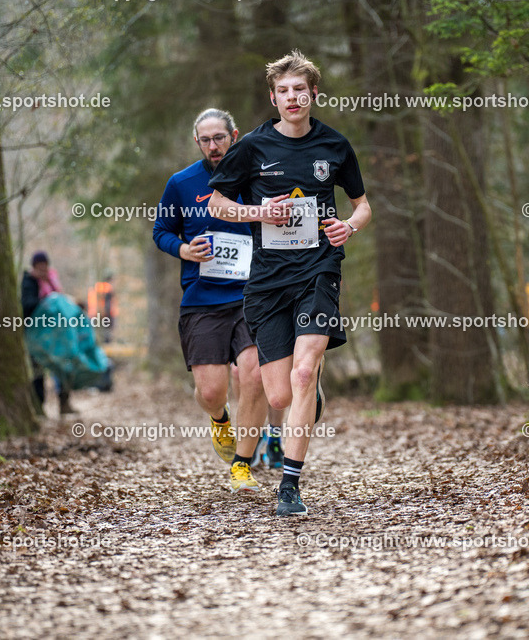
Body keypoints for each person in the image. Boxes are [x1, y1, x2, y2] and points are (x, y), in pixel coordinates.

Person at [208, 50, 371, 516]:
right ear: (274, 98)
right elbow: (218, 204)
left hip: (319, 269)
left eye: (301, 89)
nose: (293, 97)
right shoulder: (253, 147)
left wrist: (350, 227)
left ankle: (290, 487)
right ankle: (308, 392)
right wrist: (259, 212)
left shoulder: (335, 146)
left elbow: (362, 205)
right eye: (284, 91)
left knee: (302, 373)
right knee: (279, 393)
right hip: (267, 281)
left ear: (313, 93)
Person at [153, 108, 281, 492]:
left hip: (251, 294)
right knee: (211, 392)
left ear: (234, 136)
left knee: (254, 373)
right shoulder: (181, 183)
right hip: (202, 299)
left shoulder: (257, 176)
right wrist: (183, 249)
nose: (213, 146)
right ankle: (220, 420)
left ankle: (243, 464)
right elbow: (161, 231)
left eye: (220, 138)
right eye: (206, 139)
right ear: (197, 142)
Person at [21, 251, 76, 415]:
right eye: (40, 267)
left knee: (63, 367)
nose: (43, 270)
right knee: (38, 372)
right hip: (37, 335)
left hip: (56, 334)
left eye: (45, 266)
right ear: (34, 267)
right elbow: (27, 305)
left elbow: (60, 300)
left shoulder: (52, 279)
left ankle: (64, 403)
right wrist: (46, 303)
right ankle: (40, 406)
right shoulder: (29, 281)